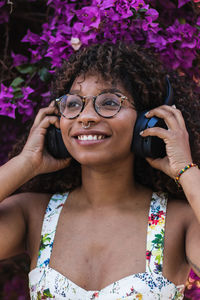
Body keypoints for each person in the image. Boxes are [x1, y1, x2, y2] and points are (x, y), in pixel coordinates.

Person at [0, 42, 200, 300]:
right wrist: (25, 162)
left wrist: (185, 169)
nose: (86, 117)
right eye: (73, 104)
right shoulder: (34, 214)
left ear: (148, 121)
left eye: (108, 102)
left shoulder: (180, 221)